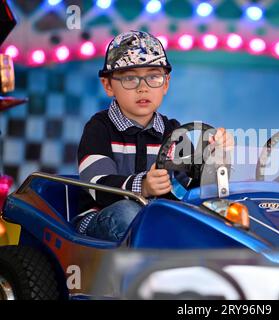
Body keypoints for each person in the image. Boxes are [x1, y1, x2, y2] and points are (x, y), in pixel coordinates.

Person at [74, 30, 233, 241]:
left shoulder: (174, 132)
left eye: (153, 77)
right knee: (129, 212)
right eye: (130, 78)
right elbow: (96, 184)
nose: (143, 88)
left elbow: (190, 190)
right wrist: (144, 186)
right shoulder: (99, 128)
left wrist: (216, 158)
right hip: (105, 216)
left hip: (157, 220)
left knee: (215, 214)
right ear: (108, 85)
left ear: (165, 83)